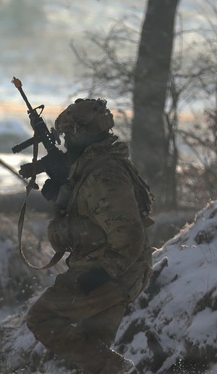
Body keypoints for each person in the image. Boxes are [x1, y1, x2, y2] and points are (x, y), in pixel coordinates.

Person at [25, 98, 155, 374]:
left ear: (80, 134)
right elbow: (90, 213)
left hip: (110, 270)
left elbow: (129, 234)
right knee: (93, 352)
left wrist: (103, 273)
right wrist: (60, 192)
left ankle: (121, 369)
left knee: (42, 318)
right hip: (120, 269)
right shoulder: (91, 165)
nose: (63, 142)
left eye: (67, 135)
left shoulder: (105, 175)